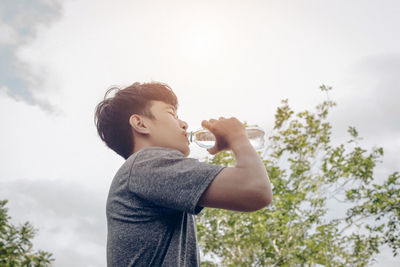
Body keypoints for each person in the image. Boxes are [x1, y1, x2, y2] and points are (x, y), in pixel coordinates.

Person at [94, 81, 272, 266]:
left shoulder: (143, 171)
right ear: (140, 123)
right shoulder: (147, 163)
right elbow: (255, 188)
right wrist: (237, 137)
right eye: (171, 113)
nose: (184, 124)